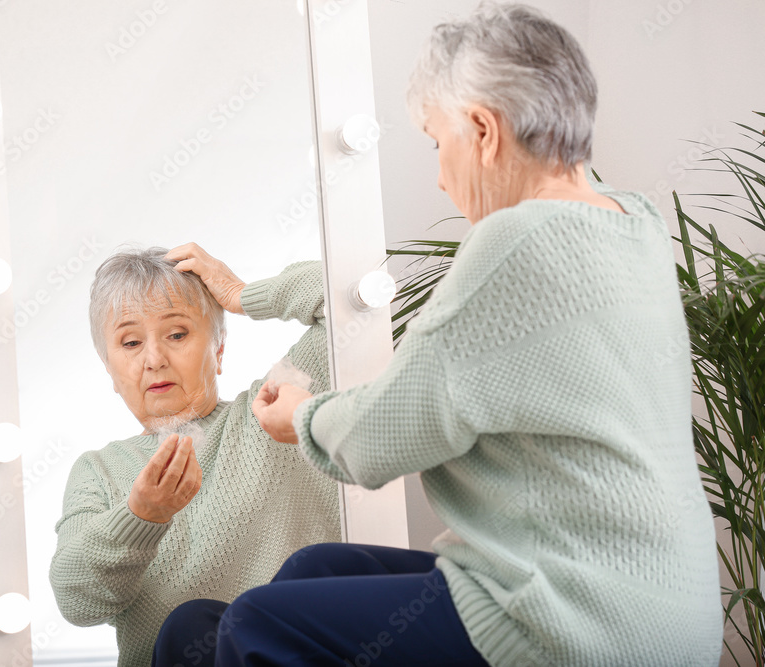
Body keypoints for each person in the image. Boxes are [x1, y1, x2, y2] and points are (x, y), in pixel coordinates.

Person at [152, 4, 724, 666]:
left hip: (570, 622)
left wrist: (302, 418)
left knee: (256, 621)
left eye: (435, 141)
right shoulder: (636, 222)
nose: (438, 173)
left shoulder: (516, 242)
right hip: (659, 611)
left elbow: (382, 434)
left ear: (482, 130)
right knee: (313, 570)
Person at [48, 243, 341, 667]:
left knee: (197, 623)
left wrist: (242, 294)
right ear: (110, 371)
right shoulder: (99, 472)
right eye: (130, 342)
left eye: (177, 334)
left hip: (301, 653)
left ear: (218, 350)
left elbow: (355, 299)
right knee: (189, 628)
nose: (153, 359)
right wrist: (141, 516)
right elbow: (77, 602)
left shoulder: (273, 405)